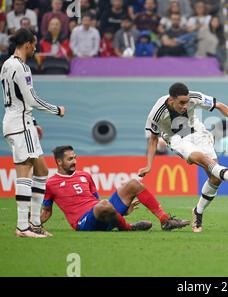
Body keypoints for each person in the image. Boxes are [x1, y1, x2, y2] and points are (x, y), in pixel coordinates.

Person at [139, 82, 228, 233]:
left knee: (215, 178)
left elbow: (219, 105)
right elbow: (153, 139)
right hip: (176, 139)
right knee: (201, 158)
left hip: (198, 133)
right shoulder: (156, 113)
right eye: (181, 103)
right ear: (170, 100)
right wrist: (149, 165)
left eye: (186, 102)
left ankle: (198, 211)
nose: (185, 106)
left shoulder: (194, 97)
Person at [1, 28, 65, 238]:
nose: (36, 47)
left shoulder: (7, 65)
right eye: (34, 43)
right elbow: (31, 100)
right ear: (27, 43)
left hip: (21, 122)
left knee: (42, 171)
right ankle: (22, 226)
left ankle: (35, 223)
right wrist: (56, 110)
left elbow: (19, 98)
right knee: (24, 171)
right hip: (20, 124)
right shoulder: (21, 67)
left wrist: (33, 121)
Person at [41, 145, 189, 232]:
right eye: (70, 159)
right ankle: (129, 228)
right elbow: (47, 211)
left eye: (75, 157)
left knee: (134, 184)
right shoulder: (51, 184)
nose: (74, 161)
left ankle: (165, 220)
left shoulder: (85, 175)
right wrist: (34, 223)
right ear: (59, 162)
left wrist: (118, 211)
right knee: (104, 205)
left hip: (100, 212)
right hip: (83, 222)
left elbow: (95, 201)